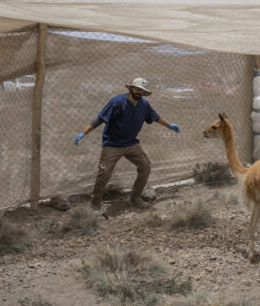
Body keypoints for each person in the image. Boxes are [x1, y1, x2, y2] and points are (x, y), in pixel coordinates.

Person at [74, 77, 180, 210]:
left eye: (142, 91)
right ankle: (95, 206)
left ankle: (135, 198)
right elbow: (100, 119)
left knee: (145, 167)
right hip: (112, 144)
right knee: (104, 174)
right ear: (131, 88)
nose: (139, 92)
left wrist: (169, 125)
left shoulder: (144, 105)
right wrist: (84, 133)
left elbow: (155, 117)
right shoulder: (117, 102)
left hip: (131, 144)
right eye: (137, 89)